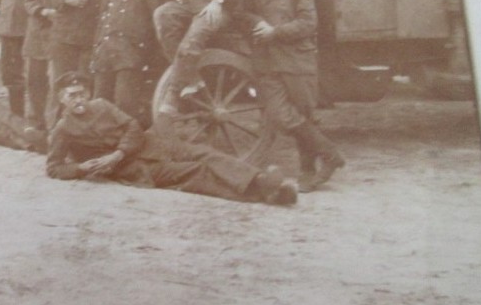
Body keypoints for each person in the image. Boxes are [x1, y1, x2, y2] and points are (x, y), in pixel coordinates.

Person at [46, 72, 297, 206]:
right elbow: (54, 167)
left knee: (202, 152)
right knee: (195, 171)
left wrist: (118, 152)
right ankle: (258, 194)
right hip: (136, 168)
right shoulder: (63, 129)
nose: (78, 100)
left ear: (88, 93)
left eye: (82, 94)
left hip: (150, 145)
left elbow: (133, 126)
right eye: (72, 96)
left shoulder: (101, 105)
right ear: (61, 99)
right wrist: (80, 168)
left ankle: (260, 179)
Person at [241, 0, 344, 191]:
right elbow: (242, 12)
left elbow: (309, 24)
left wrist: (274, 32)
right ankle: (330, 154)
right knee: (280, 114)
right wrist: (257, 23)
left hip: (297, 61)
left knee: (304, 115)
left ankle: (308, 171)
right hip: (267, 62)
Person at [91, 0, 160, 125]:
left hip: (130, 53)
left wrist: (149, 56)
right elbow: (102, 21)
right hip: (105, 51)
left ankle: (126, 146)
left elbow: (156, 20)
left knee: (125, 103)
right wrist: (97, 49)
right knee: (99, 101)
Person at [22, 0, 67, 131]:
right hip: (36, 35)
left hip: (58, 35)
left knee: (55, 82)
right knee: (34, 81)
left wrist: (56, 10)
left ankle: (54, 127)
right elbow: (29, 0)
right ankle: (36, 122)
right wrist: (42, 11)